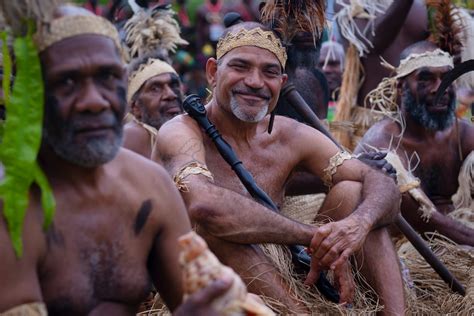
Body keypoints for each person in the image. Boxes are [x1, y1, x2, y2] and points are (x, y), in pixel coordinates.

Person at [0, 5, 239, 315]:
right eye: (67, 82)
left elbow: (206, 300)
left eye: (108, 76)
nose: (94, 101)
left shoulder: (149, 185)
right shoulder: (11, 206)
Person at [154, 21, 405, 314]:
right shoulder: (180, 132)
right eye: (240, 67)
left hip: (283, 269)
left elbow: (382, 185)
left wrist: (355, 227)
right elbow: (204, 207)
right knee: (212, 227)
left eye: (269, 72)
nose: (255, 82)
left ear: (281, 84)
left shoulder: (290, 135)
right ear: (213, 72)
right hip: (202, 284)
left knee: (355, 192)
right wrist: (312, 237)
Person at [355, 41, 474, 246]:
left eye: (447, 78)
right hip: (406, 249)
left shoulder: (463, 134)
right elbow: (423, 220)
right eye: (426, 79)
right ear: (401, 87)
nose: (440, 88)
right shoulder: (383, 144)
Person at [123, 56, 183, 158]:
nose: (171, 94)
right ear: (136, 107)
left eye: (173, 85)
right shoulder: (130, 136)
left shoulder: (193, 130)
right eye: (155, 88)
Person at [318, 40, 345, 122]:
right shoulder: (306, 105)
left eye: (333, 64)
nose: (326, 70)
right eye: (321, 64)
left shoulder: (356, 106)